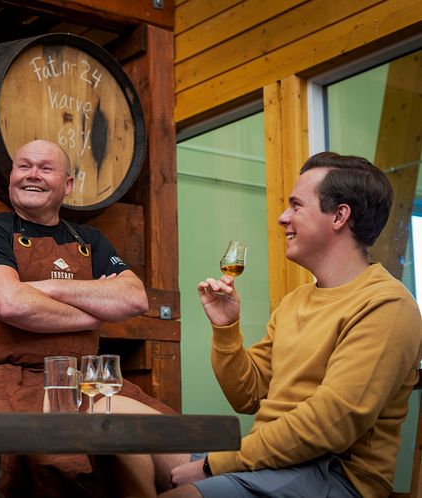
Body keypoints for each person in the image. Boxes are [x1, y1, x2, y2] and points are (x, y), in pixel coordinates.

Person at [162, 152, 422, 498]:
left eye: (296, 206)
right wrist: (226, 329)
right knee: (126, 443)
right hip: (269, 463)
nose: (283, 218)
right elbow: (248, 395)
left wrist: (213, 465)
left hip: (336, 476)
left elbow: (330, 426)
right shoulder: (295, 301)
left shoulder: (386, 306)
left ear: (340, 216)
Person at [0, 139, 178, 497]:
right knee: (65, 466)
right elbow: (12, 305)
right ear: (11, 175)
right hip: (9, 380)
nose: (32, 175)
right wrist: (94, 311)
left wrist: (43, 288)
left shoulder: (91, 240)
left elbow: (135, 299)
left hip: (88, 381)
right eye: (23, 166)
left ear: (68, 184)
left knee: (180, 451)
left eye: (45, 168)